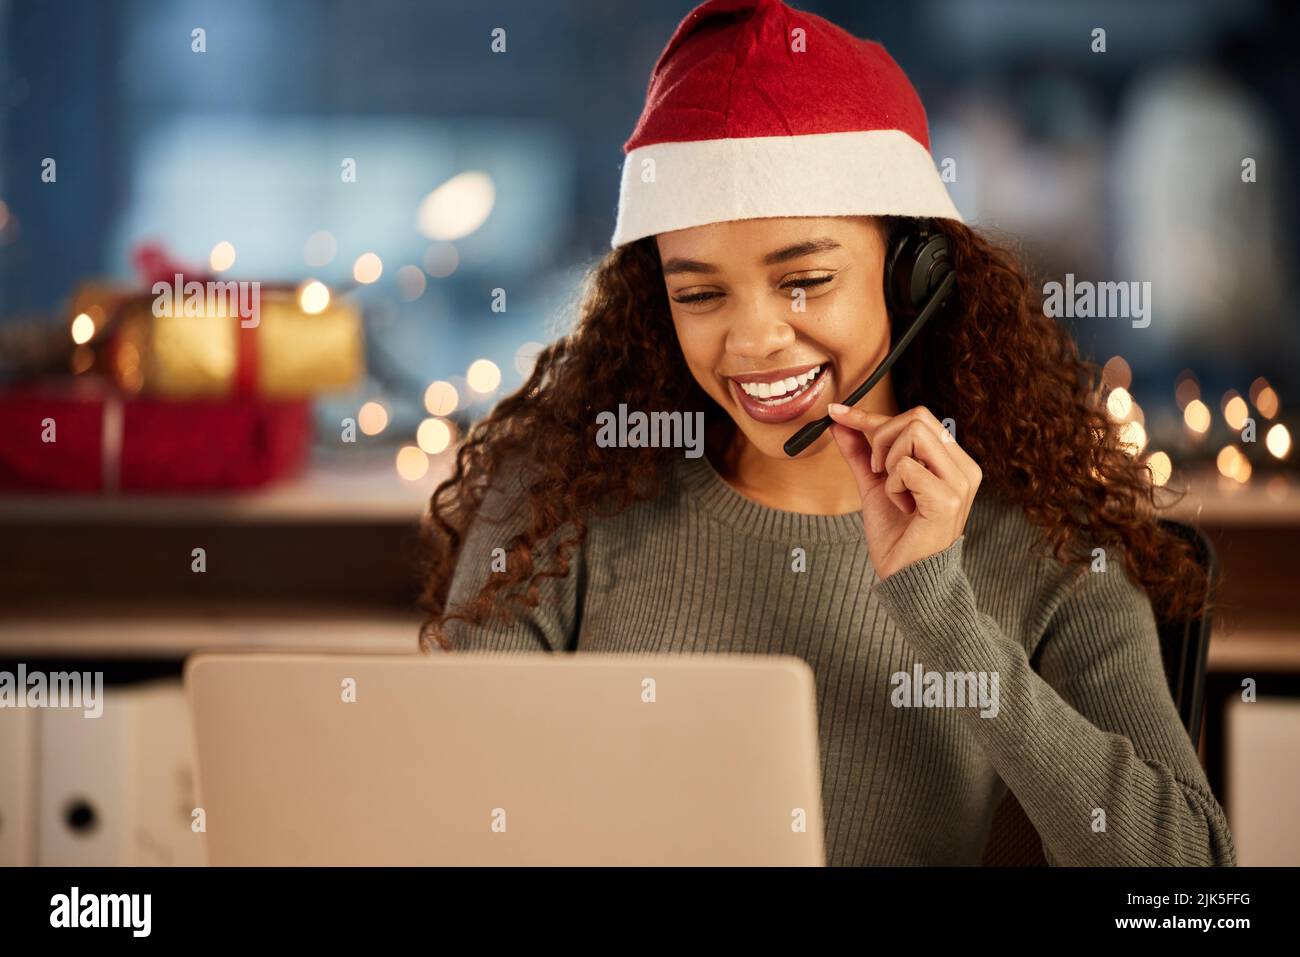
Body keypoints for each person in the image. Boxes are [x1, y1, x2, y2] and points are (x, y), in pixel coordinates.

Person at [417, 0, 1235, 867]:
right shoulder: (555, 499)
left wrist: (943, 611)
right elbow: (452, 821)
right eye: (699, 293)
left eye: (803, 279)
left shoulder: (1056, 542)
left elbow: (1189, 888)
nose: (752, 341)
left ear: (914, 273)